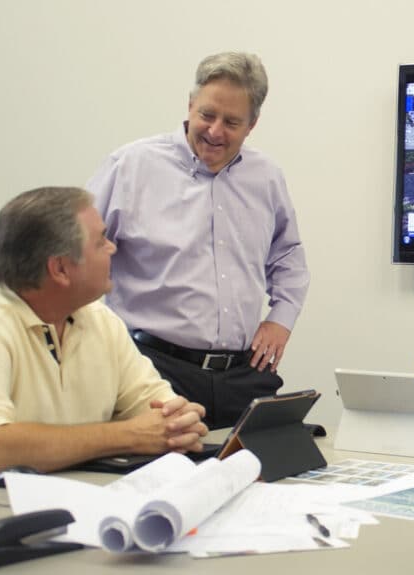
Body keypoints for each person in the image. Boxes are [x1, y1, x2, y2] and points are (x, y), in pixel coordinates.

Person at [87, 52, 311, 429]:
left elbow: (287, 255)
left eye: (232, 122)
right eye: (207, 115)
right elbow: (80, 252)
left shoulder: (266, 177)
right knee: (157, 481)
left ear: (252, 124)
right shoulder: (130, 167)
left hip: (241, 375)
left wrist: (281, 320)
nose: (215, 131)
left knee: (257, 479)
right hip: (150, 368)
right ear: (190, 105)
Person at [0, 187, 208, 477]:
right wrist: (127, 436)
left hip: (90, 504)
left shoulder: (101, 320)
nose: (112, 248)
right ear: (61, 269)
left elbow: (162, 413)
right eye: (101, 241)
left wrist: (180, 422)